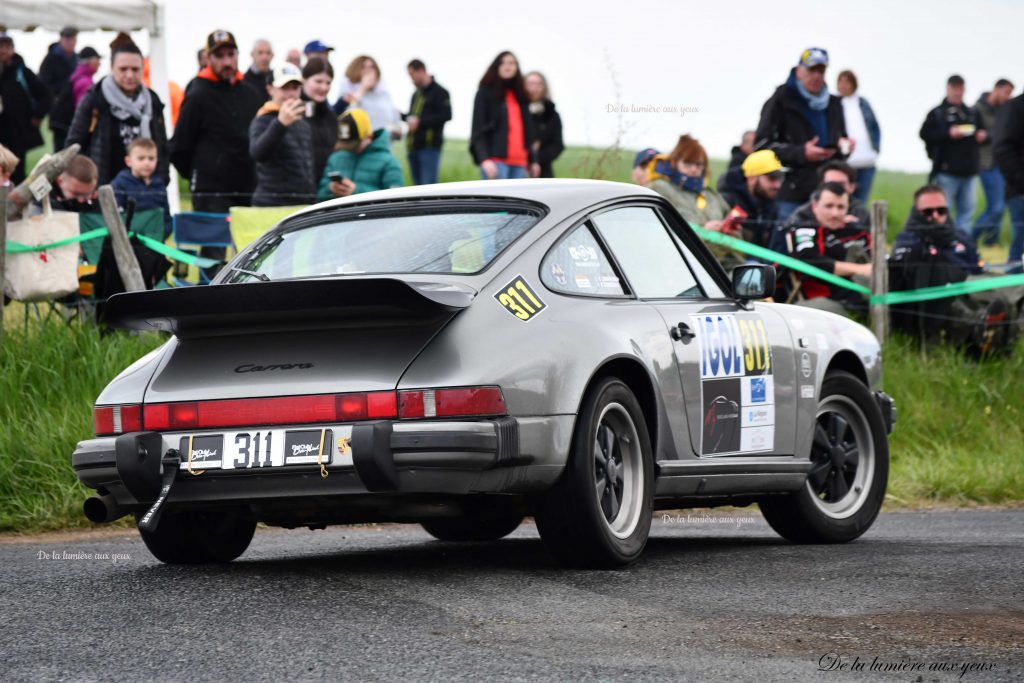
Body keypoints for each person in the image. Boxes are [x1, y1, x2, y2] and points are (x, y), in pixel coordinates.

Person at [891, 185, 1022, 350]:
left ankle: (1014, 329)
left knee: (1017, 285)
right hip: (949, 286)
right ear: (916, 213)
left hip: (977, 278)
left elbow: (976, 262)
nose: (936, 216)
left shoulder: (960, 235)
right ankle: (984, 330)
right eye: (928, 212)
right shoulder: (908, 239)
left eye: (941, 210)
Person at [755, 47, 852, 222]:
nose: (816, 76)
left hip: (827, 198)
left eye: (821, 71)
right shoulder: (780, 100)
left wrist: (844, 148)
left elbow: (841, 142)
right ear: (799, 71)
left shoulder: (833, 104)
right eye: (811, 70)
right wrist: (801, 153)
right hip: (791, 194)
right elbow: (761, 146)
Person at [170, 29, 262, 213]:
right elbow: (179, 145)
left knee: (251, 241)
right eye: (219, 56)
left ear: (238, 55)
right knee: (213, 242)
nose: (226, 62)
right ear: (208, 58)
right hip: (210, 191)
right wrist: (201, 173)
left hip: (247, 187)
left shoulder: (250, 93)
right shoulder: (198, 93)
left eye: (230, 54)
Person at [66, 40, 168, 187]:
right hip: (103, 186)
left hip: (145, 188)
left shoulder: (152, 101)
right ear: (112, 68)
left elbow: (162, 146)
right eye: (123, 69)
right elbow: (73, 145)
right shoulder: (95, 98)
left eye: (135, 69)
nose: (129, 75)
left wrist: (162, 181)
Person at [648, 134, 743, 272]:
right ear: (674, 163)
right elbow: (658, 232)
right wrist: (703, 231)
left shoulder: (711, 196)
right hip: (679, 267)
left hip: (720, 267)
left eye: (698, 165)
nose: (693, 169)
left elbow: (737, 240)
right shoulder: (660, 188)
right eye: (687, 164)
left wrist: (731, 231)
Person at [784, 181, 871, 315]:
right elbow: (810, 260)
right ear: (814, 207)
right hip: (827, 301)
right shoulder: (805, 229)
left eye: (841, 207)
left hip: (866, 293)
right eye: (829, 206)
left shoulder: (856, 230)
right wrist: (859, 269)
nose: (835, 213)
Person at [920, 75, 985, 231]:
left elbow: (984, 133)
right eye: (954, 89)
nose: (958, 93)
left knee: (966, 215)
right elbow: (925, 134)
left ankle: (962, 248)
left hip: (969, 172)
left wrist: (983, 136)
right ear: (948, 89)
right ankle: (943, 247)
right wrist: (948, 133)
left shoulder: (972, 113)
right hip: (946, 171)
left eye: (960, 89)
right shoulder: (937, 113)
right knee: (942, 213)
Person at [249, 64, 316, 207]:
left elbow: (307, 167)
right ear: (270, 89)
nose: (291, 93)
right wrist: (281, 123)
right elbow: (257, 153)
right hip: (271, 205)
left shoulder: (302, 122)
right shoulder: (262, 119)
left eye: (295, 88)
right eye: (285, 88)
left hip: (301, 205)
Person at [470, 51, 539, 180]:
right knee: (496, 200)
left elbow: (528, 132)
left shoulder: (521, 96)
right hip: (496, 162)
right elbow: (478, 130)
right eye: (503, 63)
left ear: (517, 67)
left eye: (512, 63)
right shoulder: (485, 93)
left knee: (518, 201)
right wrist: (484, 159)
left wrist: (533, 160)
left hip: (520, 163)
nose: (507, 66)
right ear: (496, 66)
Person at [317, 108, 403, 199]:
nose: (349, 149)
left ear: (368, 136)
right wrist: (330, 188)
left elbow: (395, 200)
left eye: (353, 144)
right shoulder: (335, 158)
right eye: (345, 144)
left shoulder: (389, 163)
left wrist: (356, 192)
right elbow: (319, 195)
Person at [0, 33, 51, 185]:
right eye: (0, 46)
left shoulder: (22, 72)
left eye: (7, 47)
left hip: (17, 131)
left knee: (16, 168)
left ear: (13, 50)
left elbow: (45, 95)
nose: (3, 50)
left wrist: (38, 116)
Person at [972, 79, 1015, 245]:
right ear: (997, 89)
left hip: (1001, 164)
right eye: (1006, 92)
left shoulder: (1003, 110)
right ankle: (972, 239)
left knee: (999, 207)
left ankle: (992, 242)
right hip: (986, 164)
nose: (1008, 97)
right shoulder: (977, 109)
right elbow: (976, 134)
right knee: (996, 207)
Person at [718, 149, 785, 249]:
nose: (777, 185)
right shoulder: (726, 202)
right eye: (771, 178)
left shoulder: (771, 206)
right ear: (751, 179)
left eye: (780, 178)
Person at [836, 69, 881, 203]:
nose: (844, 85)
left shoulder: (863, 103)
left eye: (847, 82)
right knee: (842, 200)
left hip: (866, 160)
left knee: (861, 202)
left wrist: (876, 149)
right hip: (846, 162)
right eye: (841, 82)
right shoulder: (834, 103)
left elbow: (874, 126)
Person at [404, 59, 452, 185]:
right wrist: (401, 116)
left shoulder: (440, 92)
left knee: (428, 189)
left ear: (421, 70)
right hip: (412, 147)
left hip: (429, 148)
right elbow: (412, 117)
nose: (411, 79)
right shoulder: (416, 94)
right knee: (416, 191)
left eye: (412, 74)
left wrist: (420, 122)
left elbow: (447, 115)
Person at [111, 137, 171, 233]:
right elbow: (116, 216)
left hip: (156, 240)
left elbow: (166, 217)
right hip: (130, 240)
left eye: (151, 158)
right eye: (141, 158)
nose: (147, 163)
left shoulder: (159, 185)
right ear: (128, 161)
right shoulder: (120, 184)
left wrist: (163, 232)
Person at [46, 46, 100, 152]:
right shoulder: (85, 82)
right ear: (89, 62)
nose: (99, 63)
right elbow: (84, 111)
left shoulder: (77, 75)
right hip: (67, 128)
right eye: (97, 60)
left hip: (61, 126)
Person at [333, 56, 401, 138]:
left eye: (372, 67)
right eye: (363, 67)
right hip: (357, 145)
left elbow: (395, 121)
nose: (369, 70)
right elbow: (344, 118)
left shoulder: (384, 94)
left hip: (382, 144)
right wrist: (362, 88)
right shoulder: (347, 91)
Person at [995, 90, 1024, 274]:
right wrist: (1022, 183)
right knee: (1019, 246)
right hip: (1020, 192)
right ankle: (1013, 298)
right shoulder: (1015, 107)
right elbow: (1002, 148)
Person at [38, 28, 79, 149]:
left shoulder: (76, 59)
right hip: (59, 114)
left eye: (72, 39)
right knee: (60, 148)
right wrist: (58, 95)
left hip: (74, 112)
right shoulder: (50, 59)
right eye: (67, 39)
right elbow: (43, 84)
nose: (70, 42)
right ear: (61, 39)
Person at [302, 57, 339, 182]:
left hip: (325, 188)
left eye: (328, 83)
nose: (324, 87)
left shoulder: (331, 116)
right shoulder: (292, 112)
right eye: (318, 81)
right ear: (304, 79)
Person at [524, 71, 564, 178]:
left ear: (544, 87)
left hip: (543, 170)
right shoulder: (515, 111)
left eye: (539, 84)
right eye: (531, 84)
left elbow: (557, 145)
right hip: (516, 166)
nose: (535, 88)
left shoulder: (552, 115)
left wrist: (536, 159)